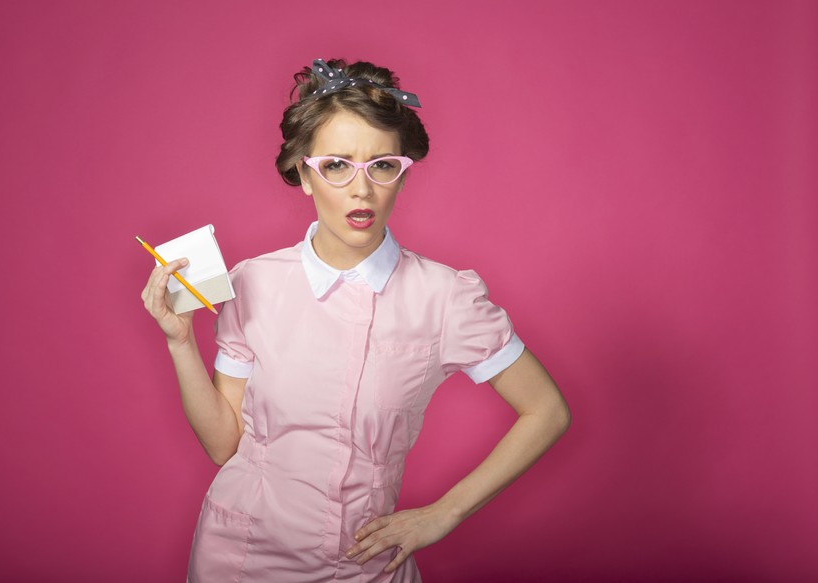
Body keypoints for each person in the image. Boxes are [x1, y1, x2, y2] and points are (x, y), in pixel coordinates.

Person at [141, 58, 571, 583]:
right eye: (337, 166)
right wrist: (180, 342)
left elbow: (546, 410)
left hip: (364, 566)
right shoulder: (254, 283)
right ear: (304, 173)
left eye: (382, 166)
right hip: (239, 556)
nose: (361, 189)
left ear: (402, 176)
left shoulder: (444, 297)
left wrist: (445, 513)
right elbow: (222, 444)